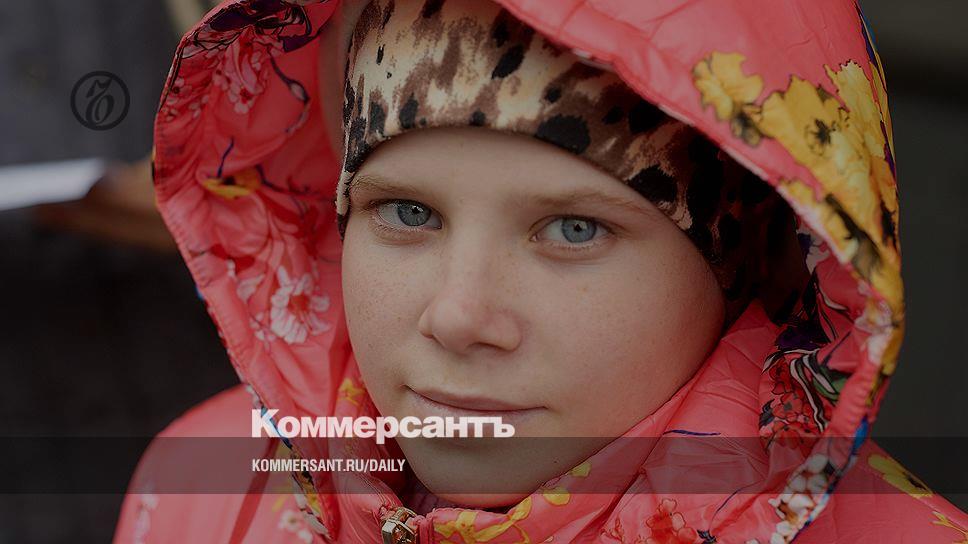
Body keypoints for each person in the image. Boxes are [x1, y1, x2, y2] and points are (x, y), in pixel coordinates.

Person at [114, 0, 967, 542]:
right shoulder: (200, 488)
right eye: (406, 213)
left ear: (743, 259)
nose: (458, 317)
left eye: (572, 229)